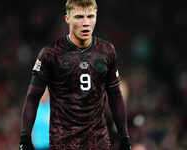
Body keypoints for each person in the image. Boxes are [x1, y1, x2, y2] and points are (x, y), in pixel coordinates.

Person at [19, 0, 131, 149]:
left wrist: (125, 137)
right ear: (67, 18)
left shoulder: (107, 51)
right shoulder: (50, 54)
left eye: (90, 16)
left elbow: (116, 95)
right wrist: (25, 138)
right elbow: (33, 97)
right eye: (79, 17)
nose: (86, 23)